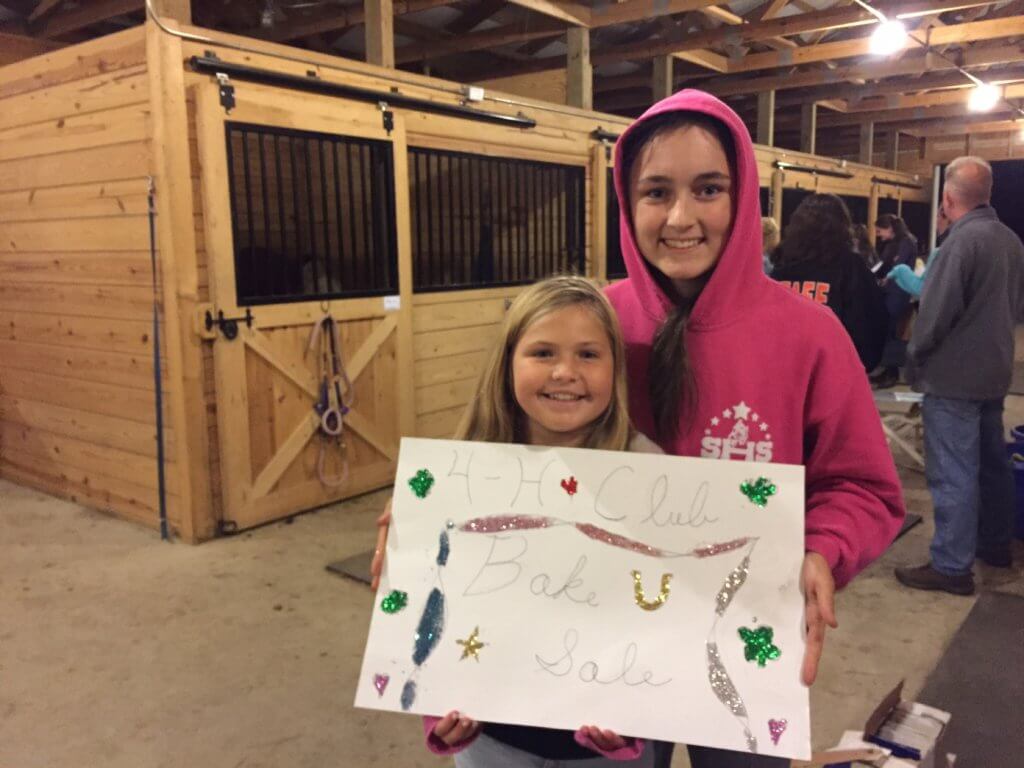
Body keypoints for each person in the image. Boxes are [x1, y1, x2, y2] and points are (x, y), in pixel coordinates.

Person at [606, 89, 905, 768]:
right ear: (628, 204)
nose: (681, 217)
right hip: (613, 633)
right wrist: (430, 530)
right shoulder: (589, 323)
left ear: (742, 198)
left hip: (749, 638)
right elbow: (517, 457)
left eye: (708, 188)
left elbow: (862, 486)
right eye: (656, 192)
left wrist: (824, 547)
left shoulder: (808, 335)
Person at [373, 275, 659, 767]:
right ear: (508, 363)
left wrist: (632, 727)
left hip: (602, 751)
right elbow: (430, 605)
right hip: (491, 742)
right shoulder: (459, 473)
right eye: (542, 353)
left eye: (588, 355)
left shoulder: (653, 477)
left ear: (616, 369)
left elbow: (666, 619)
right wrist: (434, 707)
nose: (565, 372)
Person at [895, 157, 1024, 596]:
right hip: (994, 373)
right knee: (992, 465)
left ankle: (951, 565)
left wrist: (914, 358)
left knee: (953, 473)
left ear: (948, 199)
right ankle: (994, 544)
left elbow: (934, 315)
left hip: (953, 379)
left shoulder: (958, 245)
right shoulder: (1010, 241)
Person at [769, 193, 887, 372]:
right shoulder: (850, 267)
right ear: (842, 226)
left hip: (783, 370)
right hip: (834, 372)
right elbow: (870, 321)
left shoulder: (780, 268)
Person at [871, 215, 919, 389]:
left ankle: (892, 371)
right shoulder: (893, 244)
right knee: (888, 330)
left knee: (892, 330)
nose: (878, 235)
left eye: (879, 230)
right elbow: (882, 265)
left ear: (890, 228)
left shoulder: (906, 242)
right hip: (890, 291)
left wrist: (884, 279)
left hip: (898, 292)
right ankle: (888, 370)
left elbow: (897, 267)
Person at [886, 207, 950, 299]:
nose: (935, 221)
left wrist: (899, 270)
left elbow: (922, 288)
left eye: (937, 216)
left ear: (947, 219)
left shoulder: (939, 253)